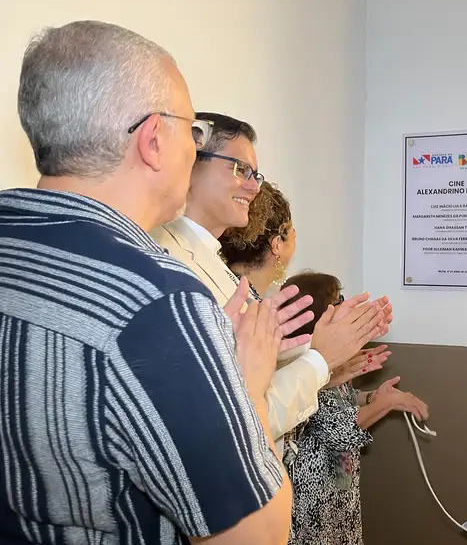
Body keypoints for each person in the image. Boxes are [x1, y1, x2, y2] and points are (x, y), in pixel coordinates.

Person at [1, 20, 311, 543]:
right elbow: (255, 536)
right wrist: (247, 388)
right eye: (192, 131)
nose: (193, 149)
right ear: (152, 140)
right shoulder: (159, 301)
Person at [151, 114, 384, 454]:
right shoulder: (169, 264)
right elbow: (237, 416)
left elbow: (253, 371)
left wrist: (321, 344)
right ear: (191, 163)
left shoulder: (212, 262)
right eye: (239, 169)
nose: (253, 186)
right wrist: (320, 358)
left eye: (254, 174)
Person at [281, 271, 430, 545]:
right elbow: (340, 431)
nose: (346, 307)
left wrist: (371, 397)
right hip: (316, 495)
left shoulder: (333, 359)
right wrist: (388, 403)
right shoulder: (304, 366)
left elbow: (343, 400)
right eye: (338, 301)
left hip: (341, 483)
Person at [220, 181, 394, 390]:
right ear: (277, 244)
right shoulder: (249, 312)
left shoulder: (239, 294)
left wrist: (333, 372)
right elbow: (261, 398)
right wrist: (324, 355)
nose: (295, 235)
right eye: (291, 230)